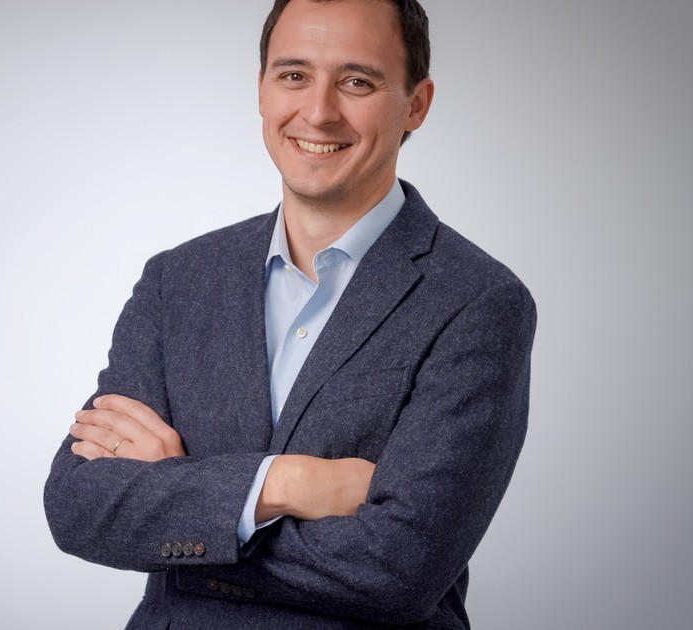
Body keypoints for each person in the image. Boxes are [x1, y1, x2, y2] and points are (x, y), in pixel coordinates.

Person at [44, 0, 537, 627]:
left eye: (357, 81)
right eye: (294, 75)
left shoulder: (479, 302)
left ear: (417, 104)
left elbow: (399, 569)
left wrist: (181, 505)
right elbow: (79, 505)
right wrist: (291, 483)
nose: (319, 111)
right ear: (261, 89)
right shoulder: (178, 279)